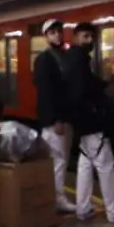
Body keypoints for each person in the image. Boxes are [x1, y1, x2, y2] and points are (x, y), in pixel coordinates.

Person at [67, 23, 114, 223]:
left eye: (91, 37)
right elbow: (83, 90)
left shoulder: (72, 59)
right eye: (85, 36)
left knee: (85, 165)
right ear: (76, 37)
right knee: (106, 165)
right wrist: (99, 97)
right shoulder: (79, 61)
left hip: (81, 123)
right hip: (91, 121)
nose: (89, 41)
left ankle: (83, 208)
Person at [33, 19, 77, 214]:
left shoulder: (61, 56)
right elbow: (46, 92)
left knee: (60, 160)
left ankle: (53, 198)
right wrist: (56, 119)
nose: (57, 35)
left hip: (64, 118)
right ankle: (57, 199)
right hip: (55, 121)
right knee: (57, 161)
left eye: (59, 31)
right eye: (52, 32)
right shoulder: (45, 59)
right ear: (46, 36)